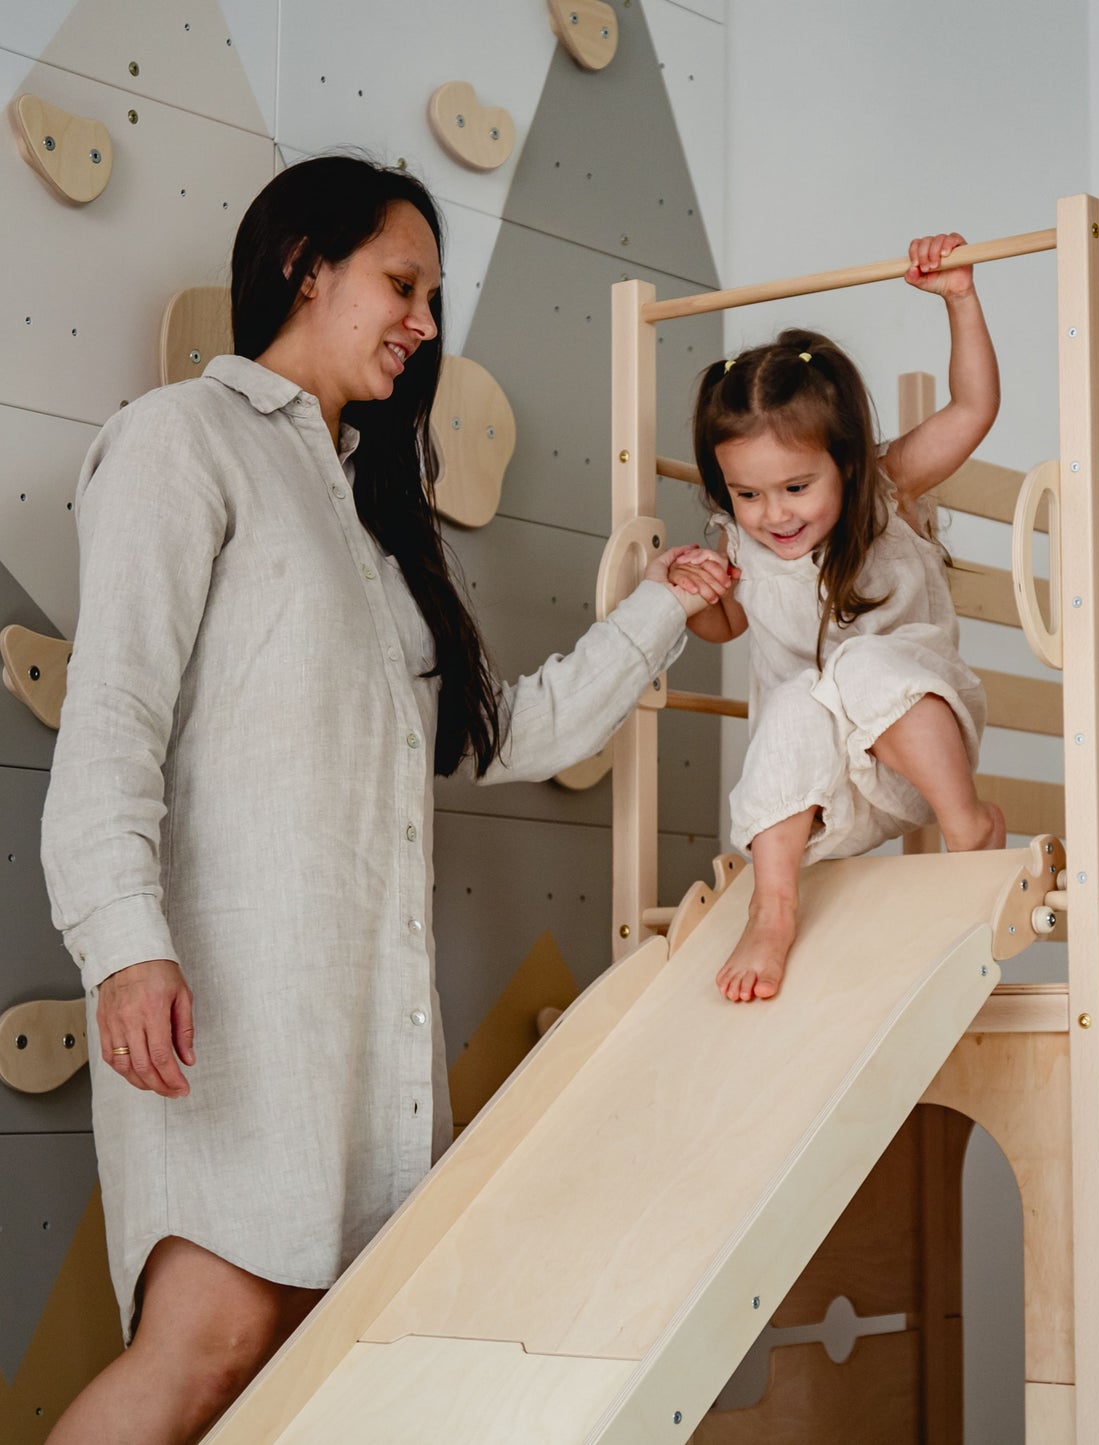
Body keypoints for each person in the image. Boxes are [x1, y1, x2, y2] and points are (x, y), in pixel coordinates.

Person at [39, 154, 732, 1445]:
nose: (423, 321)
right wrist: (123, 945)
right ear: (304, 266)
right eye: (402, 284)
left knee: (317, 1371)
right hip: (226, 1001)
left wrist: (663, 605)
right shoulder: (182, 439)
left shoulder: (372, 527)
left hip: (363, 1021)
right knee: (209, 1344)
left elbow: (498, 733)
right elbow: (114, 714)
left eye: (433, 296)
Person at [671, 231, 1004, 1005]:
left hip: (915, 756)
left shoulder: (882, 489)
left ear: (846, 463)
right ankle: (772, 906)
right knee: (793, 701)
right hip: (823, 796)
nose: (773, 514)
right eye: (747, 494)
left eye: (796, 487)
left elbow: (973, 408)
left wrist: (960, 299)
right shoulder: (741, 546)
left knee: (857, 664)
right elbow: (723, 627)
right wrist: (691, 597)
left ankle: (969, 827)